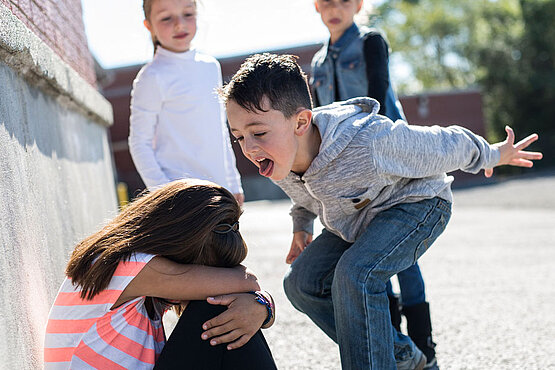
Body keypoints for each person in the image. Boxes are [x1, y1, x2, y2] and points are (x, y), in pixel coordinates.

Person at [219, 53, 542, 370]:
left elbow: (442, 143)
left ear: (301, 122)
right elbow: (303, 198)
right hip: (355, 221)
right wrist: (301, 225)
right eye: (239, 137)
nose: (249, 147)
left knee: (355, 274)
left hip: (417, 206)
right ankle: (399, 354)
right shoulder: (282, 159)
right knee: (301, 283)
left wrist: (492, 154)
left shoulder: (368, 141)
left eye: (258, 132)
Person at [309, 0, 437, 367]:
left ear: (358, 4)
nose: (335, 8)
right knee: (368, 253)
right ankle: (392, 346)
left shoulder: (370, 42)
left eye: (343, 1)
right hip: (347, 175)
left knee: (403, 257)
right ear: (316, 6)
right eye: (326, 1)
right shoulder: (317, 64)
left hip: (389, 160)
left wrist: (371, 147)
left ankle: (425, 349)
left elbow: (379, 96)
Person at [44, 179, 277, 369]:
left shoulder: (138, 270)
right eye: (205, 270)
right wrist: (261, 302)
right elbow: (248, 282)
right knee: (217, 305)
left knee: (230, 310)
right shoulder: (129, 265)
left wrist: (260, 306)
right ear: (182, 245)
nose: (205, 277)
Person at [129, 0, 244, 205]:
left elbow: (219, 131)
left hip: (220, 192)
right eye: (166, 18)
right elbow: (139, 143)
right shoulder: (151, 77)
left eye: (188, 14)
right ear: (149, 25)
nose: (179, 24)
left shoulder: (210, 67)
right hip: (181, 199)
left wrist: (234, 183)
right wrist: (165, 195)